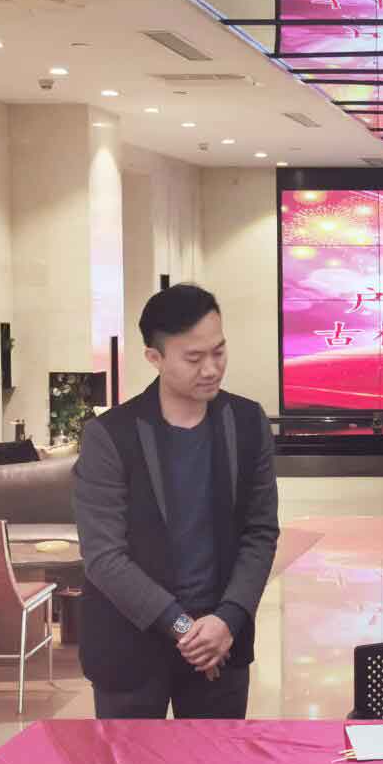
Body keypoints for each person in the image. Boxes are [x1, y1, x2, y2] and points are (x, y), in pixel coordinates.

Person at [73, 284, 278, 719]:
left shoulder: (247, 423)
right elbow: (104, 556)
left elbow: (260, 532)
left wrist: (228, 619)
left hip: (221, 644)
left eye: (219, 351)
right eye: (194, 358)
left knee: (214, 763)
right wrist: (183, 627)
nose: (211, 369)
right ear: (155, 357)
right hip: (130, 647)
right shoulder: (110, 435)